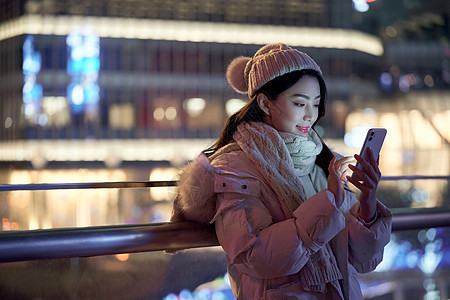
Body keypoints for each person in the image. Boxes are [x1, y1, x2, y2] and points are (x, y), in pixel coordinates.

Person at [170, 43, 392, 300]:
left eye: (317, 104)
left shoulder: (322, 160)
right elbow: (256, 256)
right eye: (300, 104)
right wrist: (329, 199)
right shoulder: (234, 171)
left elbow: (362, 260)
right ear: (265, 103)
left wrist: (367, 202)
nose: (311, 115)